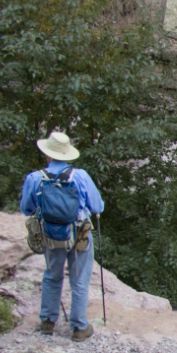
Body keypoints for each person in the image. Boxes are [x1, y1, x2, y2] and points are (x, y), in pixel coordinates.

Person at [20, 130, 105, 340]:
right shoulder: (80, 176)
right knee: (79, 279)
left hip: (51, 233)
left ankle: (47, 322)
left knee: (51, 276)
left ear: (48, 154)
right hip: (79, 234)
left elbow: (26, 209)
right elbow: (98, 206)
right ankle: (79, 327)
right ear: (67, 154)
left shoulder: (35, 178)